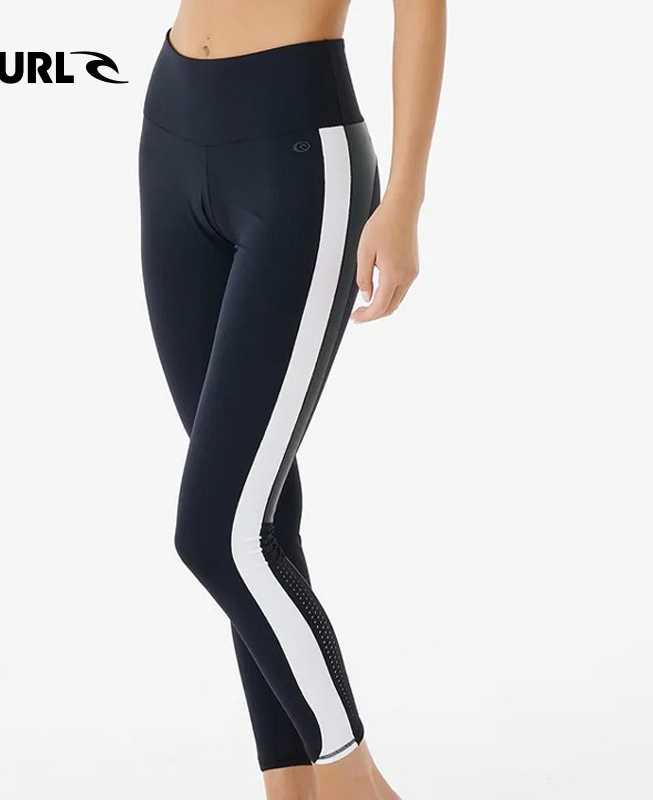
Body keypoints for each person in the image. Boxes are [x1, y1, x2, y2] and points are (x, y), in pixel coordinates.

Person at [137, 1, 446, 797]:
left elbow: (422, 11)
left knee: (217, 535)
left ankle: (355, 781)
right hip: (171, 130)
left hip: (297, 153)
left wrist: (405, 199)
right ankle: (292, 790)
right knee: (258, 522)